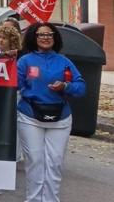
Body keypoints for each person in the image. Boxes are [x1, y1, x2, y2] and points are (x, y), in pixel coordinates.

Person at [17, 23, 85, 202]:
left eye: (50, 34)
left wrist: (66, 86)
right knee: (35, 161)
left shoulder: (64, 61)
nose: (46, 38)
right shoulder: (25, 61)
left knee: (54, 163)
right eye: (41, 35)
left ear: (55, 38)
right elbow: (13, 84)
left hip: (60, 118)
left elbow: (81, 87)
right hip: (29, 116)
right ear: (34, 38)